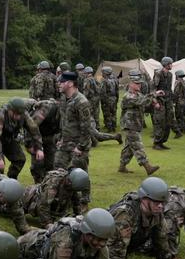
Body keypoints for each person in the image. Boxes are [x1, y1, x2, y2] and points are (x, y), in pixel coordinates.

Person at [104, 177, 182, 259]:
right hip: (100, 248)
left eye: (162, 202)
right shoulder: (125, 214)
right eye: (156, 201)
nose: (160, 206)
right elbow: (116, 245)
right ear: (144, 199)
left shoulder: (156, 212)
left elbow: (161, 239)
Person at [53, 71, 93, 207]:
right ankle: (61, 197)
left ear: (70, 84)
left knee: (80, 173)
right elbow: (64, 122)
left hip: (79, 144)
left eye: (62, 82)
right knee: (58, 168)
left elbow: (86, 128)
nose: (59, 84)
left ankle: (84, 201)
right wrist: (61, 138)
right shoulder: (64, 99)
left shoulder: (81, 102)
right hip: (65, 142)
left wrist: (81, 147)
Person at [0, 97, 43, 179]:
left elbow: (34, 129)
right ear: (10, 110)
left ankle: (11, 180)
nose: (18, 117)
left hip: (7, 138)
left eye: (20, 114)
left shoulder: (23, 114)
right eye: (16, 114)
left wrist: (39, 148)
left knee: (20, 159)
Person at [118, 71, 162, 175]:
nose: (140, 85)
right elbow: (141, 101)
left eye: (140, 83)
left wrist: (154, 103)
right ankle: (148, 167)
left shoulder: (138, 94)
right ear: (131, 84)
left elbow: (145, 102)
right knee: (138, 146)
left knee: (129, 148)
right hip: (129, 125)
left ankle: (122, 167)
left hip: (136, 124)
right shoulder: (128, 96)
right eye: (137, 83)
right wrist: (154, 94)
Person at [22, 168, 88, 227]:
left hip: (48, 198)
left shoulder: (73, 184)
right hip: (30, 197)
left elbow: (76, 202)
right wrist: (48, 224)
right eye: (70, 186)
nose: (71, 189)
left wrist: (79, 217)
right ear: (68, 180)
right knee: (22, 209)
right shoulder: (53, 184)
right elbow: (43, 205)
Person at [27, 98, 60, 183]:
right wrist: (30, 144)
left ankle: (48, 184)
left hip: (50, 136)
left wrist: (61, 139)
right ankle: (38, 184)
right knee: (38, 163)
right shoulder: (46, 109)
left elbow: (66, 128)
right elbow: (31, 126)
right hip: (36, 137)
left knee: (51, 163)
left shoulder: (67, 113)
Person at [151, 57, 174, 149]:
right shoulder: (158, 74)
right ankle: (156, 143)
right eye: (170, 64)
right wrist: (155, 102)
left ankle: (162, 141)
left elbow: (169, 89)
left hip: (168, 102)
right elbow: (153, 89)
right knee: (160, 122)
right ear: (166, 64)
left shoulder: (170, 75)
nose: (171, 65)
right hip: (160, 101)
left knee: (168, 122)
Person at [100, 66, 120, 132]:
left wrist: (103, 101)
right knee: (113, 113)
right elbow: (117, 91)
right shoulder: (115, 80)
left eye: (102, 72)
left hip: (107, 99)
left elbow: (103, 92)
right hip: (114, 98)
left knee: (107, 114)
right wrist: (116, 99)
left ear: (105, 73)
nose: (102, 74)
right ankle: (114, 127)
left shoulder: (104, 81)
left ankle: (109, 128)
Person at [171, 69, 185, 138]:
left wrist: (173, 101)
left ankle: (179, 131)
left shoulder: (177, 82)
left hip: (179, 102)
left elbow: (176, 93)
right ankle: (184, 130)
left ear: (177, 75)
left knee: (179, 116)